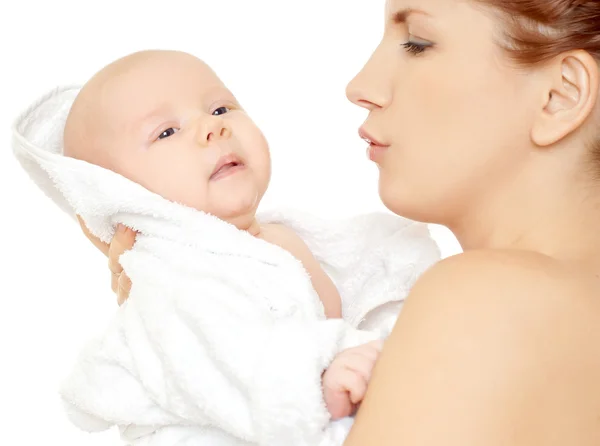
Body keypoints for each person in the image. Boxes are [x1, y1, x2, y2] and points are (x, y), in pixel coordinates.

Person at [81, 0, 600, 443]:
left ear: (560, 95)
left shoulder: (482, 302)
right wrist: (202, 311)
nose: (360, 85)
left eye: (417, 42)